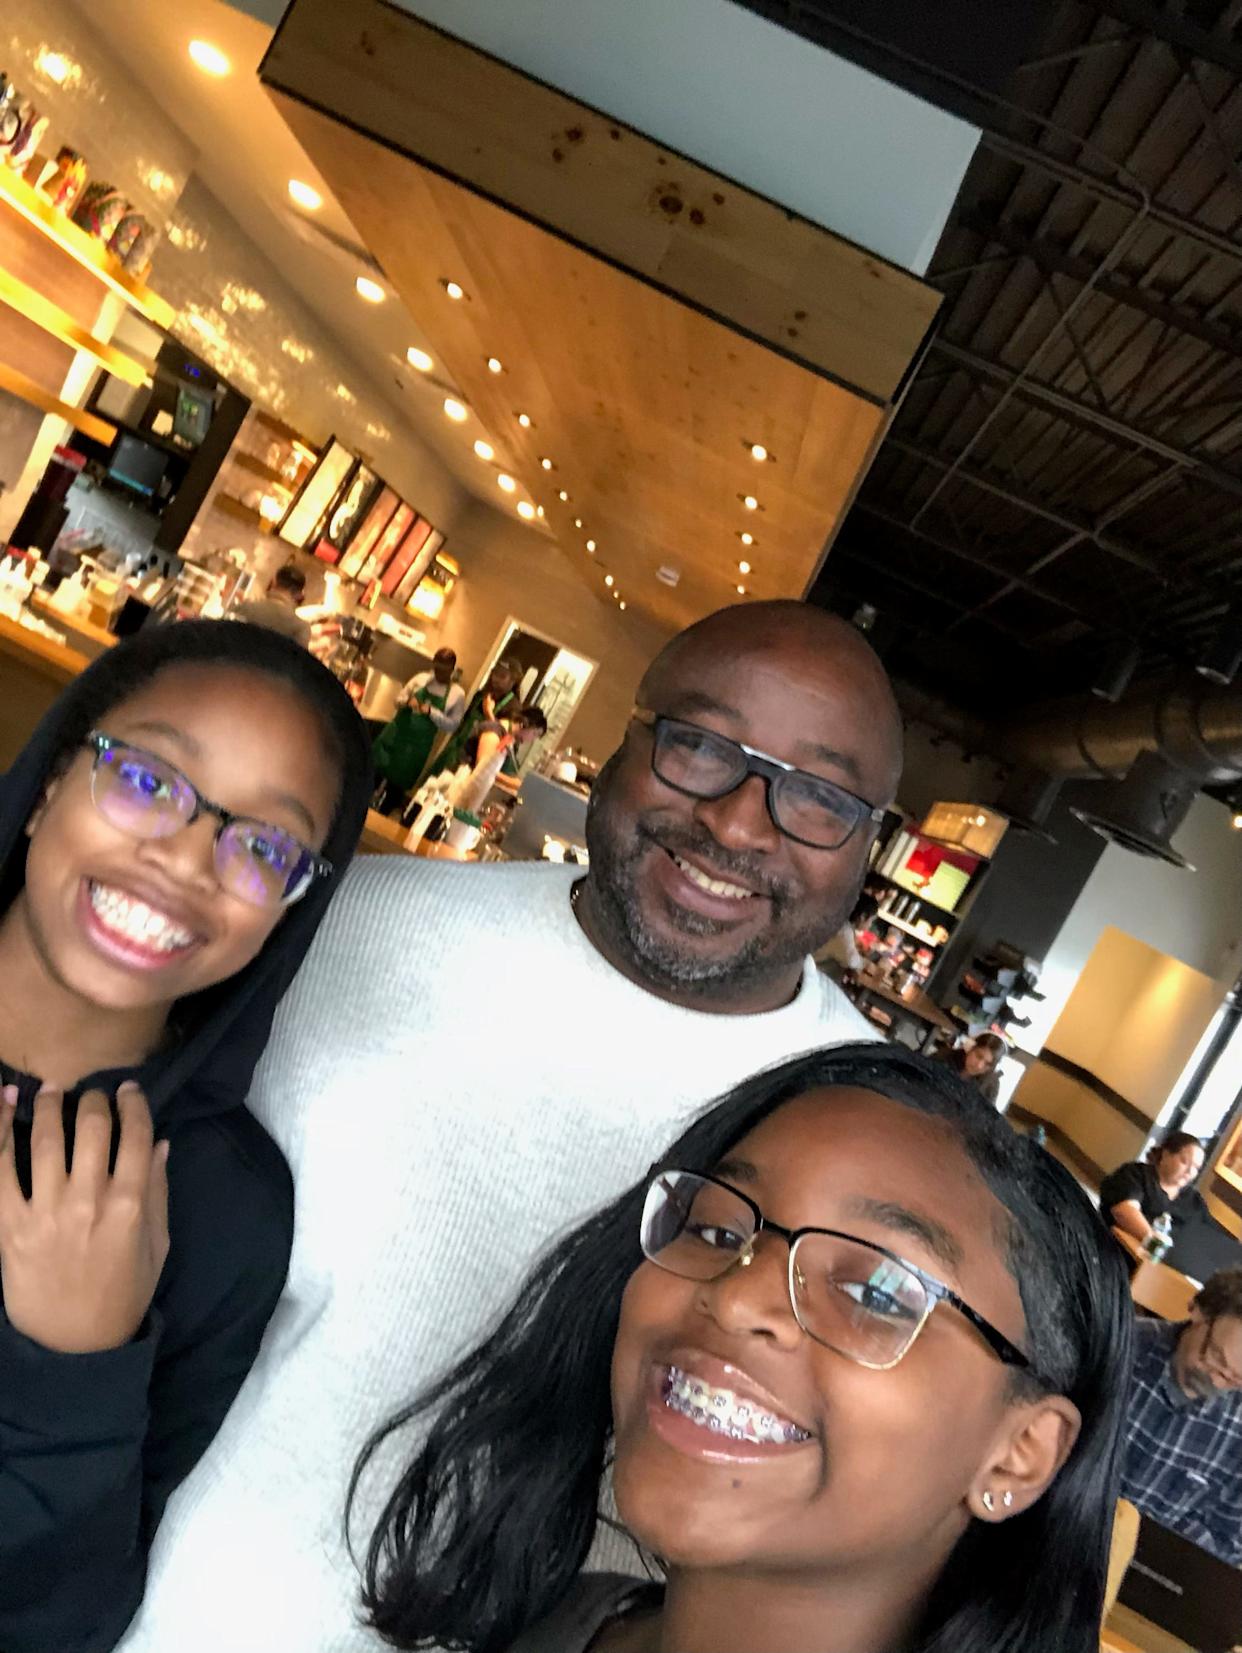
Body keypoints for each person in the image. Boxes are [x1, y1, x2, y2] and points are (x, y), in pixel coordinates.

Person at [120, 599, 908, 1652]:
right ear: (623, 741)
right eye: (701, 745)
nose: (736, 821)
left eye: (818, 794)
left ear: (872, 843)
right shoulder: (349, 921)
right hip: (120, 1605)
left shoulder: (873, 1136)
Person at [355, 1043, 1133, 1653]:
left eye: (875, 1293)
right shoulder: (564, 1621)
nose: (734, 1296)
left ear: (1019, 1450)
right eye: (718, 1229)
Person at [0, 620, 371, 1653]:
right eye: (149, 781)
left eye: (262, 847)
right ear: (45, 787)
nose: (184, 858)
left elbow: (62, 1625)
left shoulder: (221, 1211)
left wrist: (75, 1369)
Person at [1121, 1268, 1242, 1564]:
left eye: (1236, 1378)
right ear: (1198, 1311)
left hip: (1150, 1573)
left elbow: (1228, 1543)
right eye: (1216, 1358)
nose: (1218, 1382)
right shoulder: (1119, 1348)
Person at [371, 648, 465, 815]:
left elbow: (452, 725)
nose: (438, 673)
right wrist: (406, 701)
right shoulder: (420, 679)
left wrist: (432, 712)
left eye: (443, 670)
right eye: (436, 667)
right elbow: (397, 699)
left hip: (415, 749)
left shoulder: (457, 695)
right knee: (371, 776)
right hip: (394, 737)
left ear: (451, 669)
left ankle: (381, 817)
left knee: (394, 793)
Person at [1099, 1130, 1204, 1244]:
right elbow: (1124, 1211)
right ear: (1166, 1154)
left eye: (1196, 1168)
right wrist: (1155, 1244)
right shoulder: (1135, 1173)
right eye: (1184, 1162)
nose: (1190, 1171)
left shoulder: (1193, 1200)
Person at [428, 655, 521, 778]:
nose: (496, 679)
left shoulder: (513, 708)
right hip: (454, 751)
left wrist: (488, 713)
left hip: (471, 763)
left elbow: (505, 743)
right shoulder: (481, 695)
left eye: (502, 676)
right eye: (495, 673)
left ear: (513, 681)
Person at [236, 563, 312, 648]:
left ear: (273, 581)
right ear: (299, 595)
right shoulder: (300, 628)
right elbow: (295, 660)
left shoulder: (245, 608)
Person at [938, 1033, 1007, 1107]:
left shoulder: (991, 1083)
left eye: (988, 1064)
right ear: (970, 1047)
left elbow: (987, 1115)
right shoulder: (944, 1057)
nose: (979, 1066)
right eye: (978, 1056)